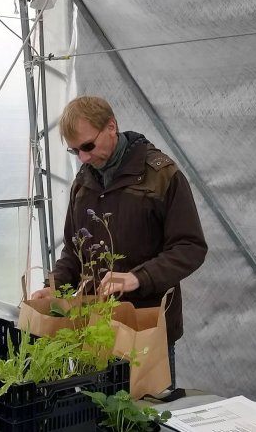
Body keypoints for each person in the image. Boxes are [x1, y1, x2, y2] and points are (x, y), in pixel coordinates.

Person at [32, 95, 207, 389]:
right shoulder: (83, 182)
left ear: (111, 127)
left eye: (88, 146)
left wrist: (139, 278)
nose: (83, 158)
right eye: (75, 151)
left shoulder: (162, 176)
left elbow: (190, 247)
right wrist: (55, 285)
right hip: (93, 329)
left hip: (146, 326)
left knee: (144, 417)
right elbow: (74, 250)